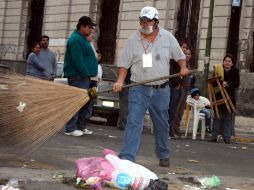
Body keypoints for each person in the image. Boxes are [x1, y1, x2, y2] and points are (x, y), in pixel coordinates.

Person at [113, 6, 189, 167]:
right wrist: (120, 81)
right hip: (138, 88)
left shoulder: (167, 37)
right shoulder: (133, 40)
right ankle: (127, 158)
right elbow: (124, 64)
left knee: (162, 122)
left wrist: (183, 67)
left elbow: (180, 56)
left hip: (161, 89)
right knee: (134, 121)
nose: (145, 23)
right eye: (142, 20)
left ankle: (163, 154)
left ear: (156, 21)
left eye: (148, 20)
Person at [63, 16, 98, 137]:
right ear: (82, 26)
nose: (91, 31)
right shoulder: (76, 40)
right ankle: (70, 128)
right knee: (76, 103)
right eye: (89, 27)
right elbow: (78, 60)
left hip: (85, 77)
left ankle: (79, 126)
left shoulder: (81, 39)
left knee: (85, 103)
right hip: (79, 76)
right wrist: (86, 74)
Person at [208, 53, 240, 144]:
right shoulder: (218, 69)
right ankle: (214, 136)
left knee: (227, 118)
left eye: (229, 61)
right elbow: (213, 81)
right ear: (223, 62)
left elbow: (237, 83)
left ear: (232, 63)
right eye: (226, 61)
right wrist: (221, 83)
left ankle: (227, 138)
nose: (227, 63)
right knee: (216, 117)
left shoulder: (235, 71)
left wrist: (227, 84)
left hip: (229, 98)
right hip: (218, 96)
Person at [168, 41, 190, 138]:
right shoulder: (174, 59)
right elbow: (171, 73)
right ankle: (170, 130)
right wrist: (176, 84)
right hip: (173, 87)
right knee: (172, 110)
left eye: (186, 48)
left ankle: (173, 130)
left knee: (177, 110)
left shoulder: (182, 60)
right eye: (183, 47)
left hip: (180, 87)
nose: (184, 49)